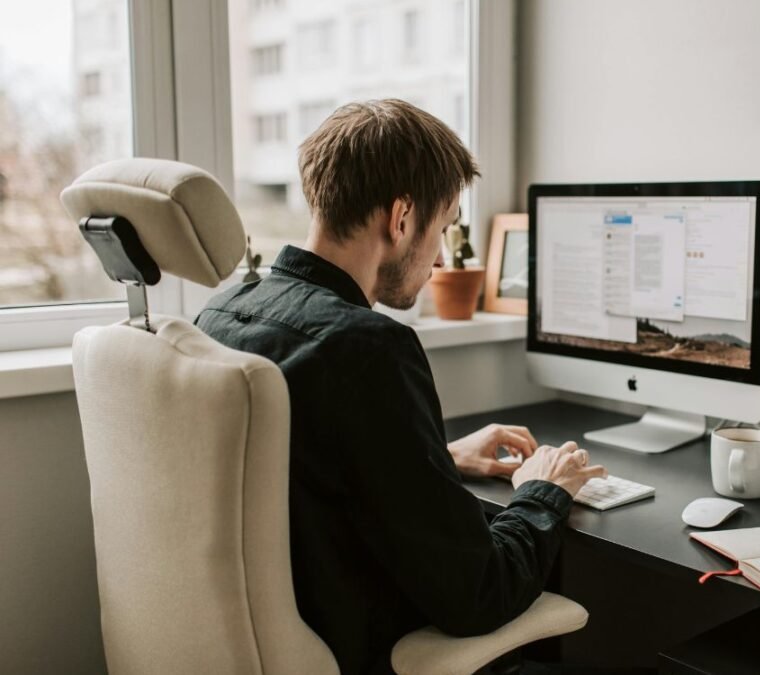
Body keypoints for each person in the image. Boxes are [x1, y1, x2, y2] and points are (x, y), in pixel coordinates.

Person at [195, 99, 606, 674]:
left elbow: (293, 472)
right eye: (443, 228)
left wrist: (436, 457)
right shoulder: (367, 349)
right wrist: (543, 490)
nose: (439, 258)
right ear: (402, 218)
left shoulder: (221, 313)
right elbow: (479, 594)